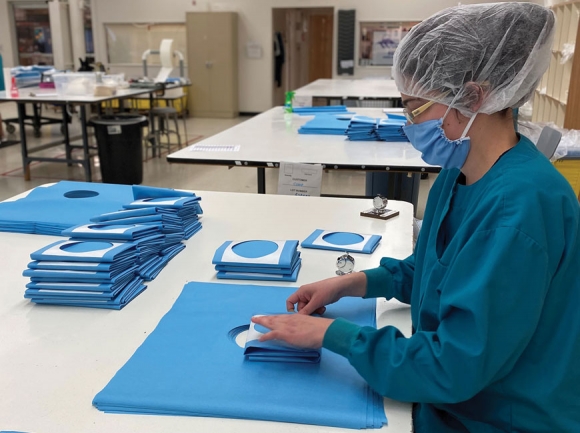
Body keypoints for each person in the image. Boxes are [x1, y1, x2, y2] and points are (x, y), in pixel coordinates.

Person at [252, 3, 580, 432]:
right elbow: (437, 270)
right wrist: (353, 283)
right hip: (464, 393)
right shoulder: (459, 173)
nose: (408, 124)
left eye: (415, 108)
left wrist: (330, 336)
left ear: (474, 96)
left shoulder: (518, 210)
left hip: (498, 415)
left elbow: (453, 367)